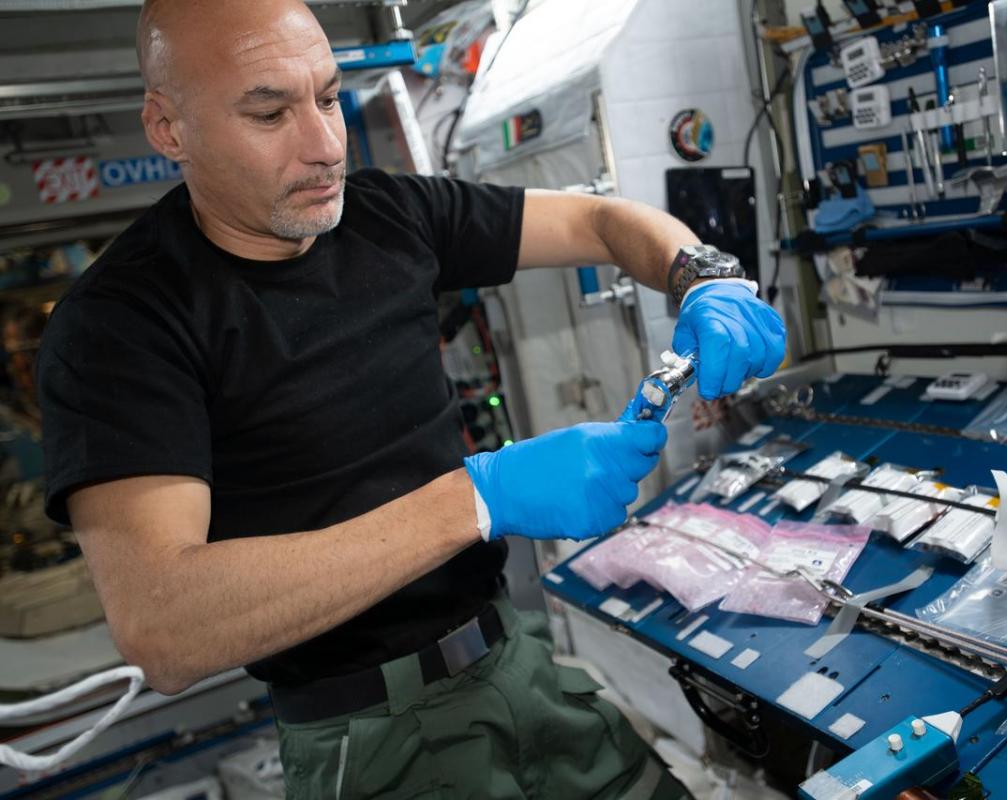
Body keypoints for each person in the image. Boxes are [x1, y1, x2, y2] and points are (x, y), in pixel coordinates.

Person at [35, 1, 787, 797]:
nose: (326, 146)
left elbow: (599, 220)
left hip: (518, 668)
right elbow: (165, 625)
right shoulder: (119, 326)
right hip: (367, 741)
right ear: (168, 128)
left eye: (327, 97)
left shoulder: (386, 215)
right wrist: (479, 499)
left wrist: (703, 276)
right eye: (269, 112)